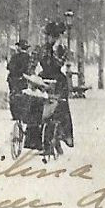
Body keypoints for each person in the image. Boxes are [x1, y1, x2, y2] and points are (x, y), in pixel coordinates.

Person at [37, 19, 76, 155]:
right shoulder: (42, 48)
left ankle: (56, 139)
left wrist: (54, 51)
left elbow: (58, 64)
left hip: (58, 81)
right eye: (47, 36)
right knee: (40, 108)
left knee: (58, 110)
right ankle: (41, 140)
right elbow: (37, 59)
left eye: (51, 36)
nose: (48, 38)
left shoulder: (62, 49)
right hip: (44, 79)